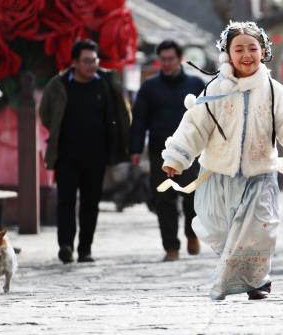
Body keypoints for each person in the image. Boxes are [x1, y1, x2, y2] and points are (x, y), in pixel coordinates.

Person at [161, 21, 283, 300]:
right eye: (239, 49)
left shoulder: (274, 91)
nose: (246, 54)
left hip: (260, 174)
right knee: (222, 231)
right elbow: (194, 126)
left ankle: (257, 280)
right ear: (227, 54)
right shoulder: (215, 90)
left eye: (252, 48)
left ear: (263, 51)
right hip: (218, 175)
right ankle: (246, 276)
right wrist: (177, 157)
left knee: (258, 229)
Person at [40, 39, 130, 264]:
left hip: (96, 155)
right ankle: (66, 245)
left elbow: (121, 113)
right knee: (66, 201)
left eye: (94, 60)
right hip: (66, 155)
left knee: (91, 203)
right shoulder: (59, 84)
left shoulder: (107, 83)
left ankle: (85, 249)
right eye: (87, 61)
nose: (92, 65)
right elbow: (46, 114)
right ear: (75, 63)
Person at [130, 40, 206, 262]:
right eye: (162, 59)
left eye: (170, 59)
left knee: (192, 197)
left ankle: (192, 233)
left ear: (180, 59)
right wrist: (135, 149)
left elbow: (209, 118)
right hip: (159, 153)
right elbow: (139, 120)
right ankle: (170, 246)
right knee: (164, 200)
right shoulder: (149, 87)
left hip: (191, 153)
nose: (166, 63)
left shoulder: (195, 84)